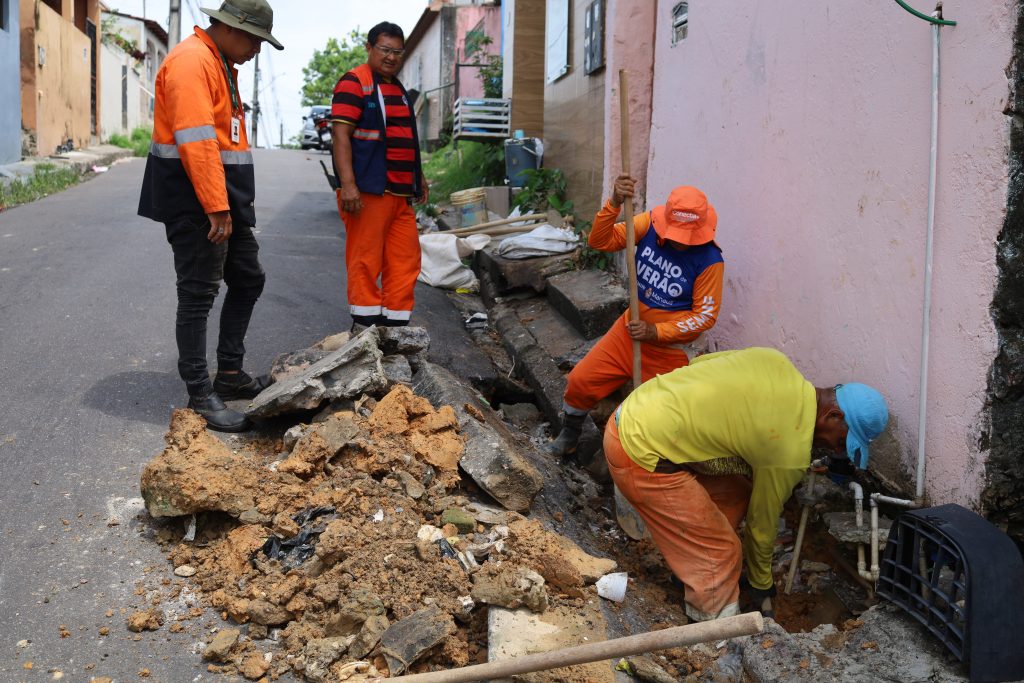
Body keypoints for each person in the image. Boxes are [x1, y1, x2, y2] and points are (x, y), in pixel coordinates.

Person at [603, 347, 889, 622]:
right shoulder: (789, 452)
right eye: (841, 441)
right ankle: (713, 632)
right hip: (639, 453)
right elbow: (761, 526)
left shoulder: (774, 360)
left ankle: (693, 569)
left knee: (737, 493)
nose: (836, 450)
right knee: (721, 552)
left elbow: (699, 365)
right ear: (833, 415)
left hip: (636, 408)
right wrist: (761, 584)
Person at [138, 0, 282, 432]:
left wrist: (228, 203)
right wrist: (216, 206)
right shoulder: (192, 61)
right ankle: (200, 393)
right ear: (231, 28)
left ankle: (231, 374)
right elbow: (197, 142)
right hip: (195, 200)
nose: (257, 49)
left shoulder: (219, 63)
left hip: (223, 199)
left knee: (248, 278)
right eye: (255, 39)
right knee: (198, 294)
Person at [547, 175, 725, 457]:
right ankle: (570, 435)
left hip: (670, 351)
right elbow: (600, 241)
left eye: (687, 236)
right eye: (676, 234)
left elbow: (704, 316)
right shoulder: (649, 223)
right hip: (627, 332)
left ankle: (634, 463)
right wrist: (614, 203)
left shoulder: (710, 260)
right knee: (580, 381)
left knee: (653, 420)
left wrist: (657, 332)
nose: (680, 243)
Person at [330, 22, 427, 331]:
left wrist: (418, 177)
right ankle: (365, 328)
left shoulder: (396, 88)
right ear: (369, 48)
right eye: (385, 49)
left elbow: (405, 137)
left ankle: (395, 330)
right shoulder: (354, 83)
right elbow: (340, 136)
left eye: (397, 51)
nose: (391, 57)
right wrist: (348, 186)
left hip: (400, 193)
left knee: (405, 260)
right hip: (369, 191)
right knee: (365, 260)